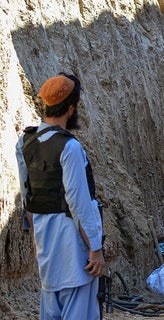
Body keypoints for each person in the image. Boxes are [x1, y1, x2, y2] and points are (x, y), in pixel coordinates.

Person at [16, 73, 105, 319]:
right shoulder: (70, 147)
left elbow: (28, 199)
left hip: (47, 247)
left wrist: (37, 242)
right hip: (74, 250)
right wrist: (95, 249)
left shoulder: (25, 143)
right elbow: (79, 203)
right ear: (71, 108)